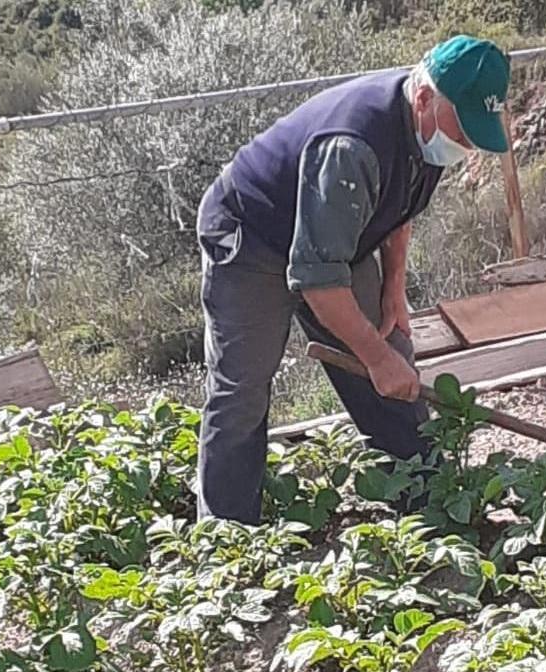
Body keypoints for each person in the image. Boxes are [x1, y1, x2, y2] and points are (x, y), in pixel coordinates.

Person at [194, 35, 512, 525]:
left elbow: (400, 211)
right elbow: (318, 282)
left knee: (390, 356)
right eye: (463, 129)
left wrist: (393, 292)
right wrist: (378, 358)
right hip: (252, 236)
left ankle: (430, 506)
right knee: (244, 388)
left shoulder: (428, 135)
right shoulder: (352, 145)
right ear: (424, 98)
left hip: (337, 238)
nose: (467, 144)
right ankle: (227, 535)